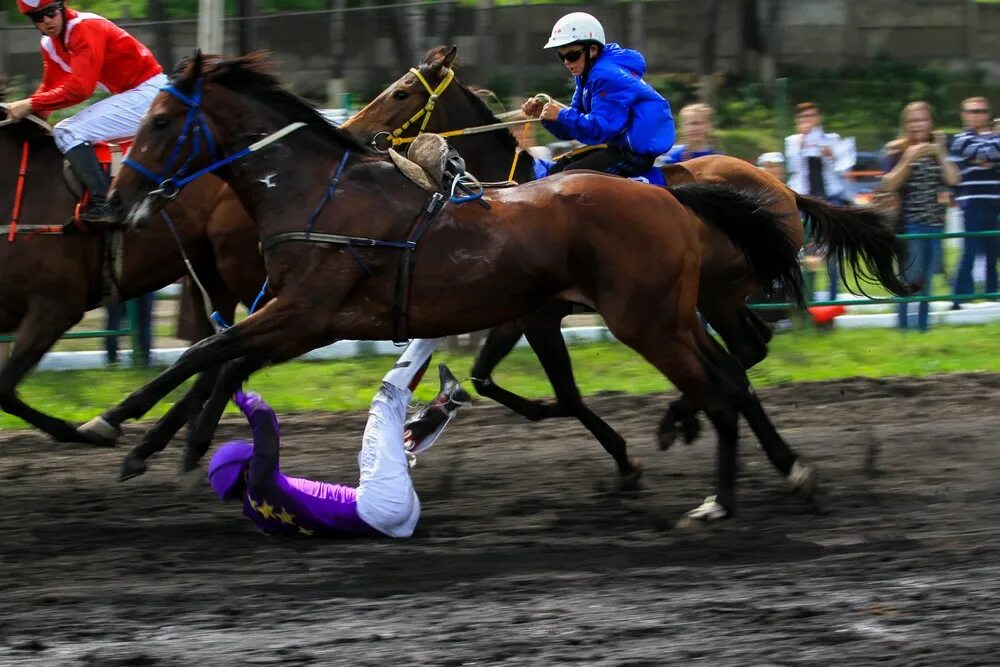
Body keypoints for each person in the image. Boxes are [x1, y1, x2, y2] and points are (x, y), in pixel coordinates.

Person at [208, 338, 472, 538]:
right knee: (385, 401)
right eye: (252, 461)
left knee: (379, 449)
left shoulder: (259, 515)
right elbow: (265, 423)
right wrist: (238, 393)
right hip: (380, 505)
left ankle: (443, 406)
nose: (257, 462)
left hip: (391, 527)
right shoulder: (260, 483)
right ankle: (432, 333)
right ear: (245, 473)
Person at [5, 0, 165, 226]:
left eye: (50, 12)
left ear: (62, 7)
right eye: (38, 17)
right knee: (66, 130)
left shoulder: (84, 28)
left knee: (67, 131)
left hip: (149, 95)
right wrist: (23, 118)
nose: (47, 21)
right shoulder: (49, 45)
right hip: (131, 95)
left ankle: (105, 206)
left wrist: (30, 104)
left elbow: (80, 89)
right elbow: (51, 88)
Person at [520, 12, 674, 178]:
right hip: (615, 147)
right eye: (561, 56)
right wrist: (547, 117)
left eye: (572, 55)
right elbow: (573, 130)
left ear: (592, 50)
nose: (566, 62)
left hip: (634, 154)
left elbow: (601, 129)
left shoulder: (605, 75)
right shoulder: (585, 75)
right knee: (557, 171)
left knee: (568, 179)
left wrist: (562, 115)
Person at [881, 102, 960, 331]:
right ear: (905, 125)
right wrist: (908, 158)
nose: (917, 125)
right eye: (913, 120)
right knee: (908, 280)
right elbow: (888, 185)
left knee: (927, 283)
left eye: (922, 119)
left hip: (935, 224)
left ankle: (922, 329)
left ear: (931, 122)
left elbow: (954, 179)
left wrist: (941, 151)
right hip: (909, 225)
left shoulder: (939, 150)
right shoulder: (897, 150)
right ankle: (904, 328)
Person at [785, 102, 856, 301]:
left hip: (829, 198)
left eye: (811, 116)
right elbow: (792, 167)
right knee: (809, 252)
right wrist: (800, 146)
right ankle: (809, 298)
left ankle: (834, 296)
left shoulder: (831, 139)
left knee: (832, 251)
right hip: (806, 200)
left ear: (818, 118)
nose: (807, 120)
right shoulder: (792, 141)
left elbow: (843, 167)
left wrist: (830, 155)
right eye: (803, 117)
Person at [949, 96, 1000, 309]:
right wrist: (989, 158)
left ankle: (992, 295)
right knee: (969, 251)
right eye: (971, 111)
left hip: (995, 202)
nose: (976, 115)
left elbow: (986, 154)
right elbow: (983, 154)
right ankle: (959, 297)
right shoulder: (959, 139)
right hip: (972, 203)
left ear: (987, 114)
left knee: (993, 252)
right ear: (963, 115)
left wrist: (983, 158)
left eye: (980, 111)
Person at [655, 103, 720, 166]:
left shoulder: (718, 160)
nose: (695, 128)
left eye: (700, 123)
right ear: (682, 127)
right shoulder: (671, 157)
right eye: (691, 124)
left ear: (710, 126)